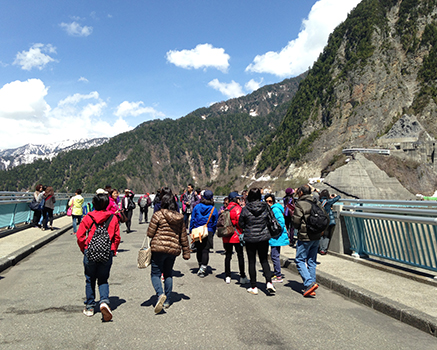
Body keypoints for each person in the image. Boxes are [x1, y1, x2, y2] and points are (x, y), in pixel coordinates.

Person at [77, 193, 120, 321]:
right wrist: (113, 250)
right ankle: (104, 302)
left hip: (90, 252)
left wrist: (84, 248)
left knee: (90, 279)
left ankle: (90, 307)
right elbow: (117, 237)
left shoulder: (88, 217)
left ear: (93, 204)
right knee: (103, 279)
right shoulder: (113, 218)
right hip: (106, 253)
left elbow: (80, 236)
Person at [146, 189, 190, 313]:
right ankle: (167, 300)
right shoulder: (179, 217)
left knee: (155, 274)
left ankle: (160, 294)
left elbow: (150, 233)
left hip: (158, 248)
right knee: (168, 273)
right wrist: (186, 252)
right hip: (173, 249)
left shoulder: (158, 215)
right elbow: (183, 236)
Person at [238, 188, 276, 295]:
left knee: (251, 261)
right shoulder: (266, 207)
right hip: (263, 237)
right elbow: (271, 220)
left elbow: (241, 224)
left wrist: (248, 226)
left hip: (250, 237)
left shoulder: (245, 209)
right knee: (264, 260)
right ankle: (269, 282)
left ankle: (254, 286)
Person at [293, 184, 321, 297]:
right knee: (312, 261)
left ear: (300, 192)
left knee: (299, 259)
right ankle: (311, 284)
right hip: (316, 235)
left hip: (305, 236)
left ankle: (309, 283)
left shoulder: (300, 204)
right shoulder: (316, 202)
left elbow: (296, 221)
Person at [189, 190, 218, 278]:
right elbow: (215, 222)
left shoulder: (197, 207)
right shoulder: (213, 209)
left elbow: (192, 219)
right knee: (206, 251)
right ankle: (203, 268)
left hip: (198, 230)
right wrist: (212, 232)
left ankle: (200, 265)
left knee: (199, 249)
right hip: (208, 230)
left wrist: (191, 230)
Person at [222, 192, 249, 284]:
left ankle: (227, 276)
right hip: (237, 235)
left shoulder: (226, 208)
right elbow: (240, 223)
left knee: (228, 256)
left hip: (227, 236)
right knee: (240, 256)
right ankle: (242, 276)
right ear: (236, 199)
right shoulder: (238, 209)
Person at [264, 193, 289, 283]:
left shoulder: (275, 210)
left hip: (276, 236)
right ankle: (276, 273)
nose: (268, 203)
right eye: (266, 201)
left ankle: (278, 275)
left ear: (273, 201)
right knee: (274, 255)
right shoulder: (273, 209)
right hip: (276, 236)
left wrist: (274, 231)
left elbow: (281, 222)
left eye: (270, 201)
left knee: (275, 256)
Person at [318, 190, 341, 255]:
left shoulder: (319, 201)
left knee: (320, 235)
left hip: (320, 220)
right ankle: (323, 249)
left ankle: (319, 248)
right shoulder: (328, 201)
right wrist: (335, 196)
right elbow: (338, 197)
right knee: (326, 235)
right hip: (328, 221)